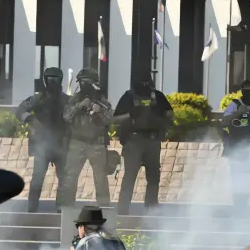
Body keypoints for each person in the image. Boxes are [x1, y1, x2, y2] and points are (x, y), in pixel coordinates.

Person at [58, 68, 122, 210]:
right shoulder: (74, 99)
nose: (84, 84)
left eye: (88, 82)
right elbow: (66, 117)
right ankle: (66, 206)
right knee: (70, 176)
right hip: (77, 142)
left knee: (100, 178)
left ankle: (104, 207)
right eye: (82, 81)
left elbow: (110, 119)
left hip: (96, 143)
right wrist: (80, 105)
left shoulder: (102, 101)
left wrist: (98, 111)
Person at [114, 73, 174, 215]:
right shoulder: (133, 96)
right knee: (136, 177)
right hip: (139, 141)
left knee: (148, 177)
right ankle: (139, 209)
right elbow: (116, 118)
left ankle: (143, 209)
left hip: (145, 141)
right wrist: (130, 116)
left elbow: (169, 116)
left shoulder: (155, 96)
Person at [15, 67, 69, 212]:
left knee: (64, 180)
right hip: (42, 145)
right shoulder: (37, 98)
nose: (53, 82)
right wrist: (30, 119)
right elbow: (20, 110)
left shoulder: (66, 100)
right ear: (45, 80)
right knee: (37, 179)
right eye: (51, 79)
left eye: (56, 79)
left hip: (60, 144)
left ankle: (61, 208)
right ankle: (32, 209)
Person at [220, 79, 250, 208]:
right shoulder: (234, 105)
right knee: (236, 178)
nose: (248, 93)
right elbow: (224, 123)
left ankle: (244, 204)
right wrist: (239, 113)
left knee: (249, 178)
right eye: (245, 90)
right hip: (236, 148)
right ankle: (238, 205)